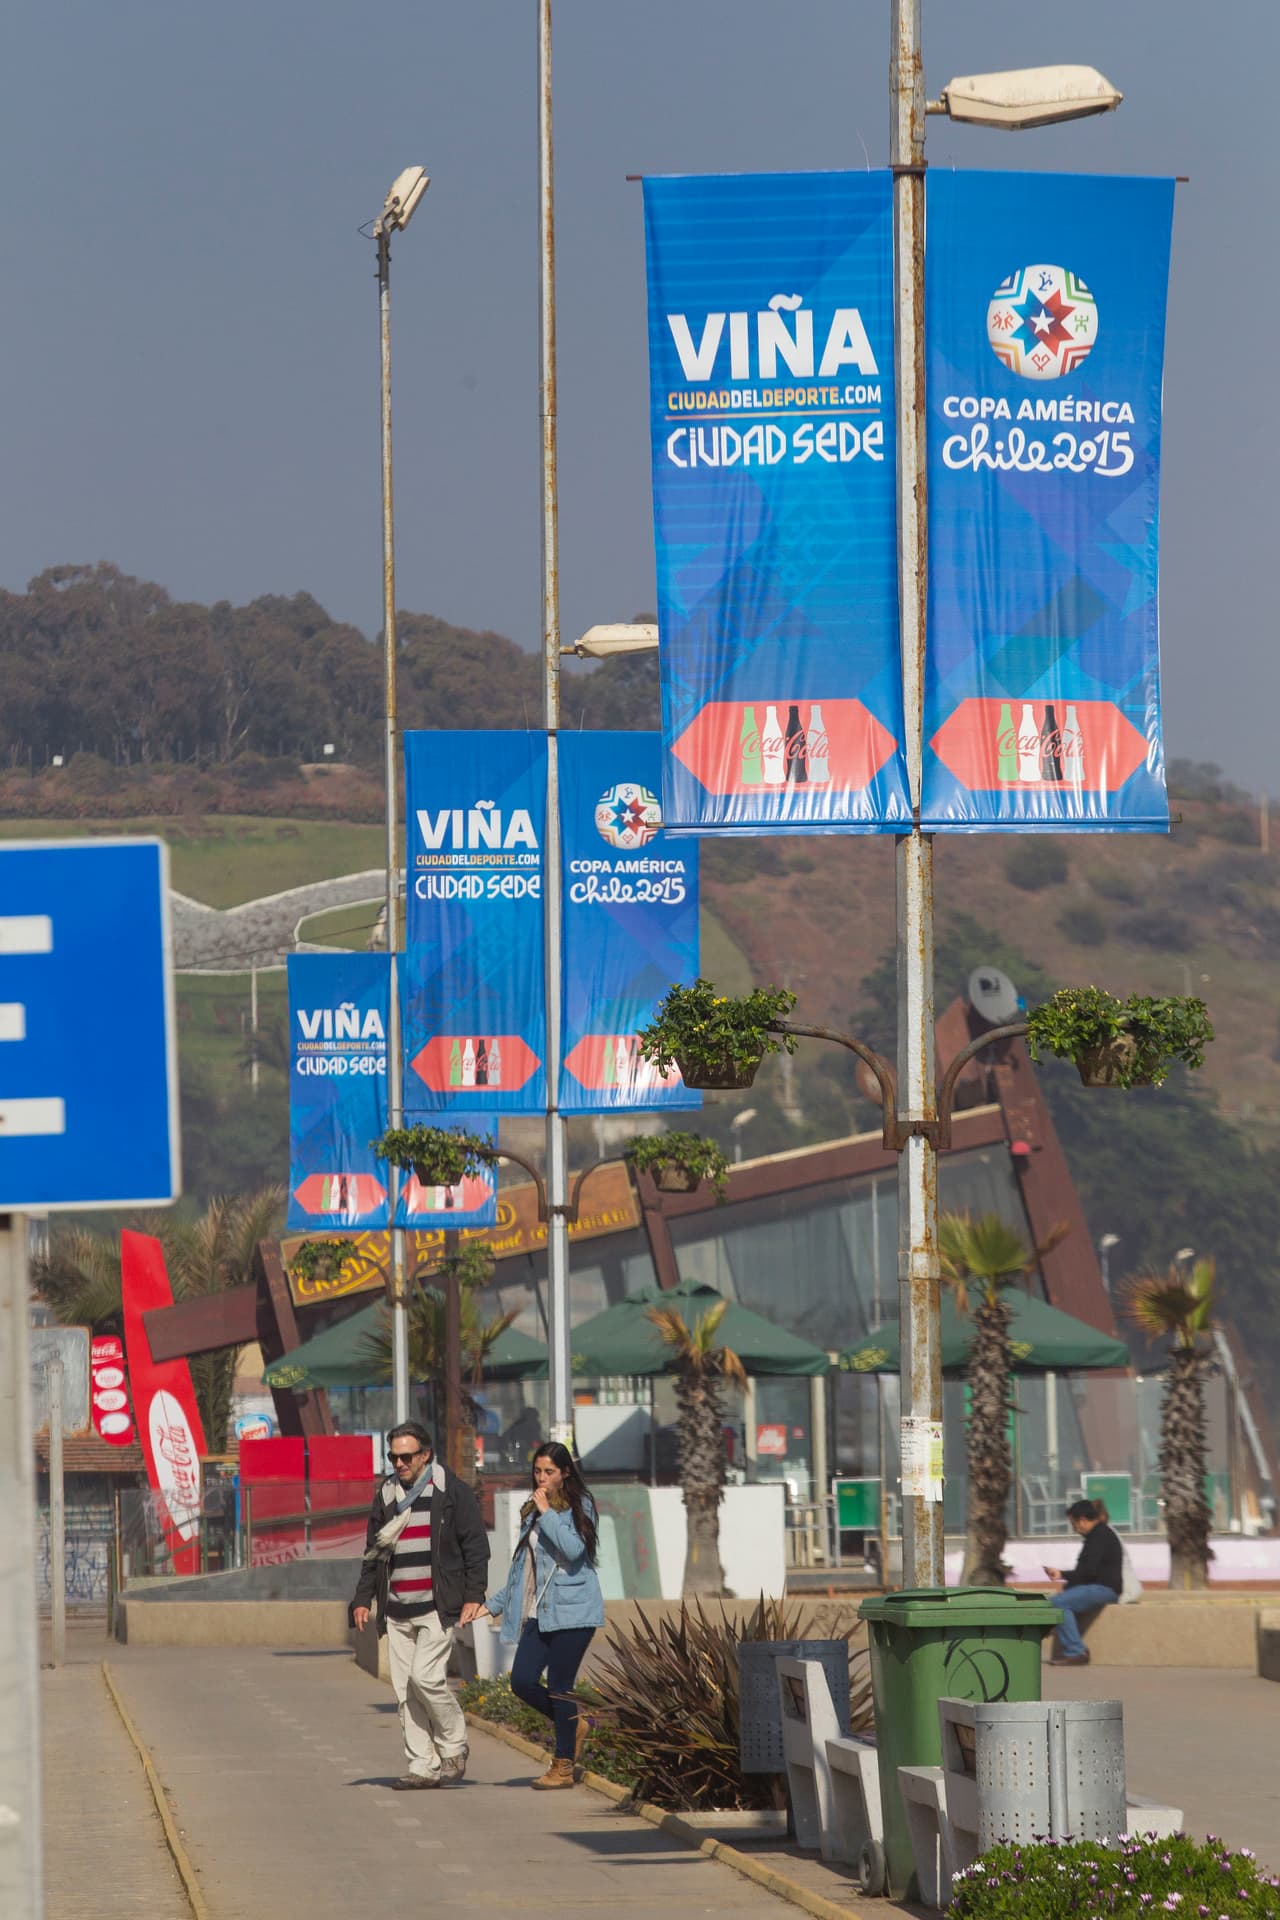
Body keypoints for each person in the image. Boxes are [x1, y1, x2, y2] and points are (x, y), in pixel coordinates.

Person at [349, 1421, 489, 1789]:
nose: (399, 1463)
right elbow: (374, 1553)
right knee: (405, 1692)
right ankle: (422, 1766)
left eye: (406, 1456)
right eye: (393, 1456)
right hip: (396, 1611)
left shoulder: (451, 1491)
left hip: (436, 1607)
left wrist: (474, 1595)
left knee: (425, 1679)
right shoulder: (387, 1495)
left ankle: (454, 1745)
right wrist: (362, 1599)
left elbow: (475, 1546)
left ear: (425, 1455)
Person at [482, 1440, 604, 1789]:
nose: (541, 1478)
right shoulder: (532, 1511)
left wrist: (548, 1511)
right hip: (541, 1611)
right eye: (537, 1471)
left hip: (574, 1611)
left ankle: (562, 1767)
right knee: (522, 1681)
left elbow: (574, 1550)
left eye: (549, 1471)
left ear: (565, 1473)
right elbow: (524, 1570)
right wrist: (492, 1604)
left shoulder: (580, 1505)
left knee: (561, 1688)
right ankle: (575, 1726)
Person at [1044, 1497, 1123, 1665]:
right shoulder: (1097, 1535)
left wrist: (1061, 1574)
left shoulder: (1099, 1537)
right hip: (1098, 1587)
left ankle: (1076, 1652)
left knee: (1058, 1604)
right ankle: (1076, 1650)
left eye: (1074, 1524)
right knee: (1058, 1601)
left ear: (1082, 1520)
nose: (1075, 1529)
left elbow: (1087, 1572)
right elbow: (1086, 1572)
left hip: (1104, 1589)